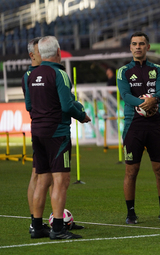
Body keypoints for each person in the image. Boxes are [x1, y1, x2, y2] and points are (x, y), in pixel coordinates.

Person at [23, 36, 91, 239]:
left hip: (37, 132)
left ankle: (36, 226)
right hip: (57, 133)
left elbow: (28, 106)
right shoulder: (59, 74)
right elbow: (67, 105)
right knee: (61, 180)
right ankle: (58, 228)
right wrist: (81, 115)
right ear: (59, 51)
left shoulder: (31, 75)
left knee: (42, 179)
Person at [117, 31, 160, 224]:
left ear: (148, 47)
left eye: (142, 44)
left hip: (155, 124)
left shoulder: (157, 69)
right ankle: (130, 213)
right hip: (133, 126)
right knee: (131, 171)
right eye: (134, 44)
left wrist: (154, 99)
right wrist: (144, 104)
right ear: (130, 47)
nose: (138, 47)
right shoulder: (123, 71)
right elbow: (125, 95)